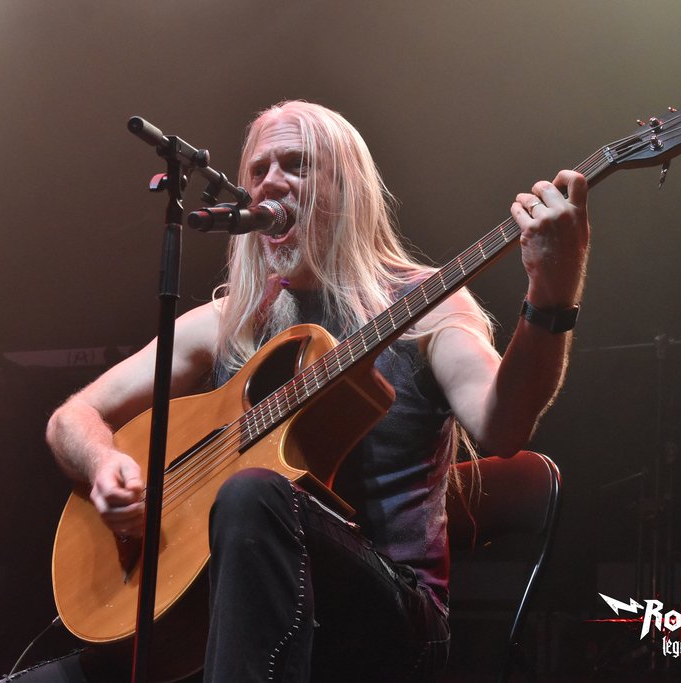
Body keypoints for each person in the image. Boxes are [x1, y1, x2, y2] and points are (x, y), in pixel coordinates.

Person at [43, 100, 589, 682]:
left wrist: (551, 294)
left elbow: (501, 426)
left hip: (391, 619)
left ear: (347, 187)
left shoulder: (427, 305)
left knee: (254, 492)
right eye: (258, 169)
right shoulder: (228, 322)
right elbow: (72, 418)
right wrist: (103, 465)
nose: (270, 182)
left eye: (297, 165)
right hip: (230, 620)